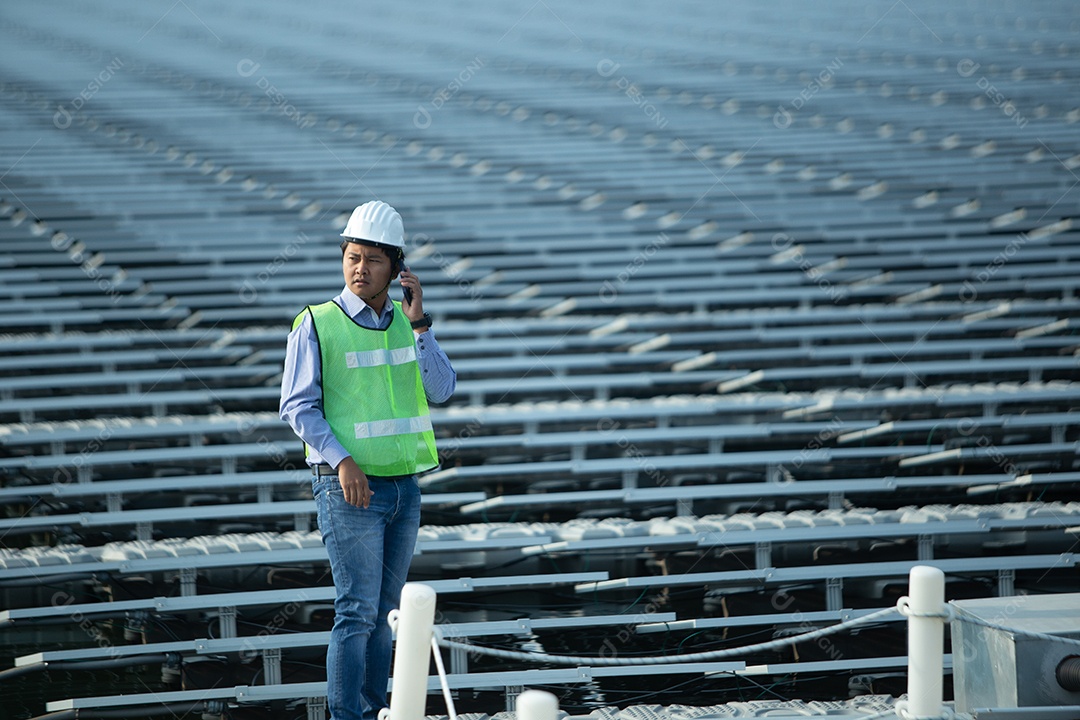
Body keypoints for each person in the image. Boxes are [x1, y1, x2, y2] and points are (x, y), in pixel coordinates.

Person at [279, 200, 456, 720]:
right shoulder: (315, 323)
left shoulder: (409, 323)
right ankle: (345, 715)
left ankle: (377, 709)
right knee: (355, 612)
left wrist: (421, 323)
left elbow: (442, 390)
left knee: (385, 614)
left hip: (404, 488)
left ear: (397, 268)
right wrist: (341, 460)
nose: (360, 268)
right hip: (349, 489)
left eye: (373, 260)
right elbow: (296, 406)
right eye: (352, 257)